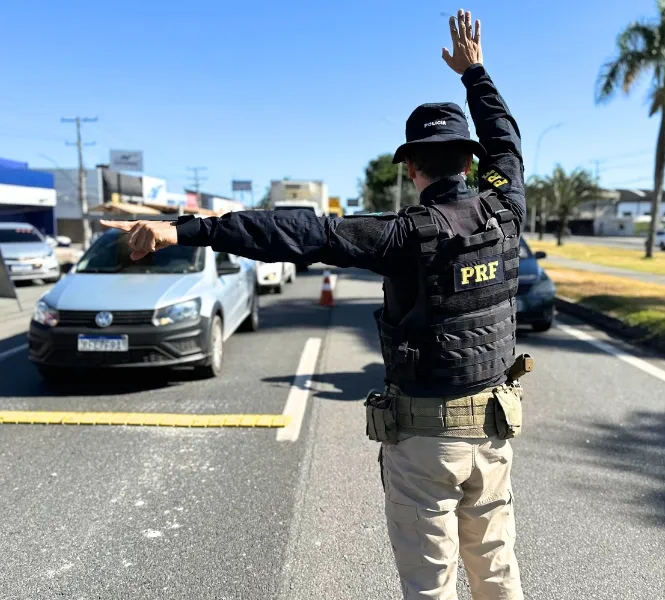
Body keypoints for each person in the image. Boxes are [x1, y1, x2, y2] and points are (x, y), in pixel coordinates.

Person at [102, 9, 527, 599]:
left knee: (432, 585)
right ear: (469, 162)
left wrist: (187, 230)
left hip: (427, 444)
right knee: (497, 571)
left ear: (411, 168)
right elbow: (507, 140)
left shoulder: (407, 235)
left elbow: (301, 233)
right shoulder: (505, 212)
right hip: (494, 431)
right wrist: (475, 72)